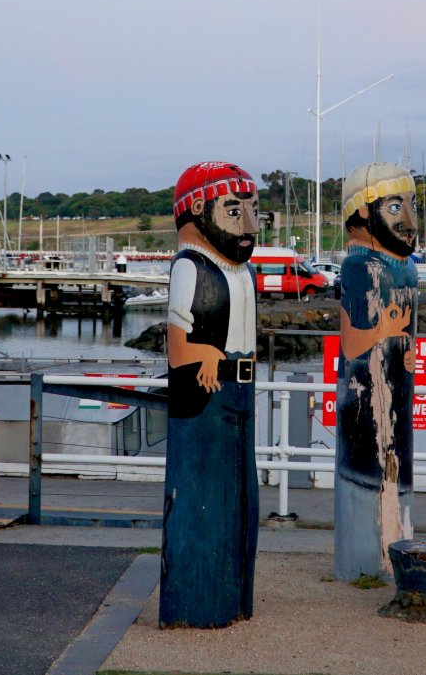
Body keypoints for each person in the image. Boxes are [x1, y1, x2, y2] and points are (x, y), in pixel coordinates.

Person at [160, 161, 259, 629]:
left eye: (254, 211)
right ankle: (199, 603)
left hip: (241, 396)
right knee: (205, 504)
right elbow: (177, 346)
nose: (249, 225)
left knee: (243, 505)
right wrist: (203, 355)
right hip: (205, 399)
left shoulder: (242, 270)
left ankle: (235, 600)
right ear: (198, 210)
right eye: (234, 210)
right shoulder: (188, 266)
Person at [333, 162, 419, 581]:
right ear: (364, 213)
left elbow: (404, 331)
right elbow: (351, 344)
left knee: (397, 478)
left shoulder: (407, 267)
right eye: (394, 207)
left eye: (411, 205)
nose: (408, 219)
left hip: (398, 399)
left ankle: (392, 558)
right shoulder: (358, 267)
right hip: (365, 402)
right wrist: (384, 332)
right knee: (370, 476)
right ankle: (366, 565)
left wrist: (404, 352)